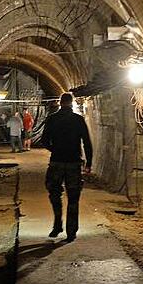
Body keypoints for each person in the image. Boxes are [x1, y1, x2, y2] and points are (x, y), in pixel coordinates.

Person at [40, 93, 92, 242]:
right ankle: (71, 231)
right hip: (74, 163)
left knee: (54, 193)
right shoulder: (78, 120)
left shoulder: (52, 119)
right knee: (73, 197)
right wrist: (89, 163)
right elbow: (87, 142)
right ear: (72, 102)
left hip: (56, 162)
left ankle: (57, 225)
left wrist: (54, 149)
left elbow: (44, 140)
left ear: (59, 102)